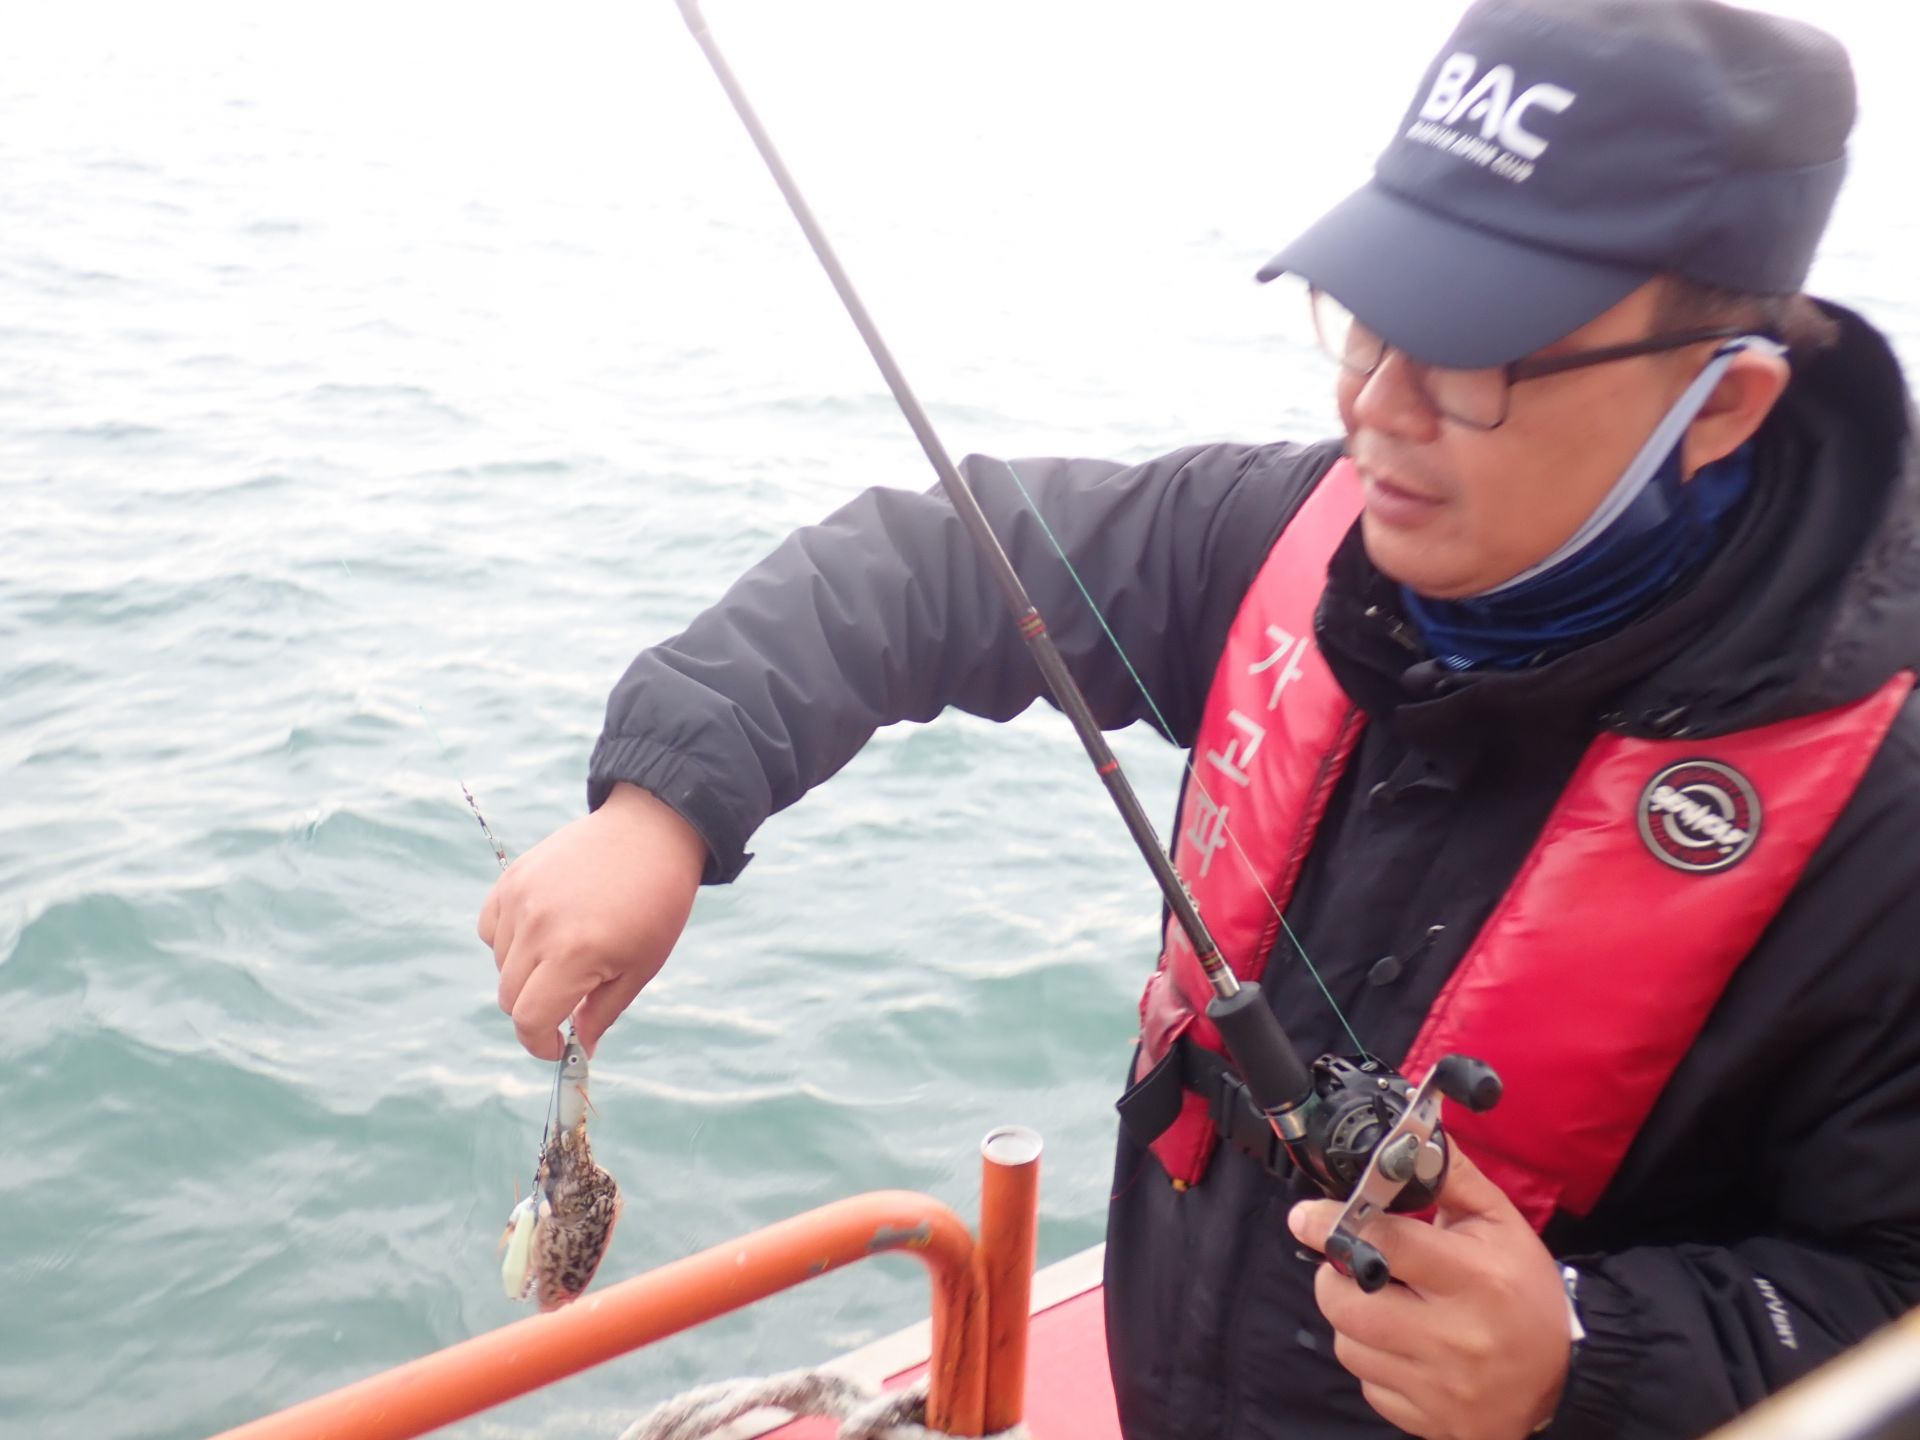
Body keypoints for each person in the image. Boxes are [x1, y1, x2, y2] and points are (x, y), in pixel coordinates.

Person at [478, 0, 1920, 1435]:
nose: (1379, 405)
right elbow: (936, 566)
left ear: (1721, 403)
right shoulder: (1285, 537)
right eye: (1370, 319)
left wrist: (1587, 1358)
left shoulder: (1884, 809)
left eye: (1478, 356)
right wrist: (662, 806)